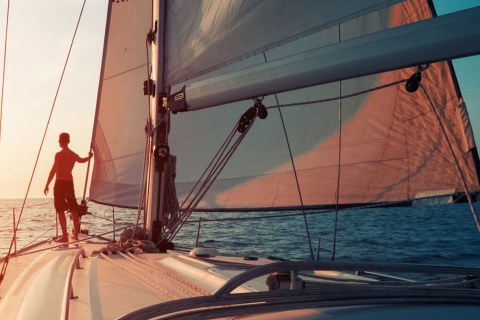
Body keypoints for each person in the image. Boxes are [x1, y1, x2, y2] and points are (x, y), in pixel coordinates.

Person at [44, 132, 93, 242]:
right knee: (74, 209)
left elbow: (53, 170)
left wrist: (47, 184)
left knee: (60, 210)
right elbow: (81, 160)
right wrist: (89, 157)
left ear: (60, 142)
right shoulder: (73, 154)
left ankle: (65, 236)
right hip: (69, 183)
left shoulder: (59, 154)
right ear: (69, 141)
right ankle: (75, 235)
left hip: (60, 183)